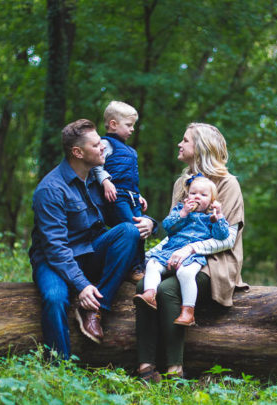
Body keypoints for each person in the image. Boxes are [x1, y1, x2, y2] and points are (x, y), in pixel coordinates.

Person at [29, 119, 155, 360]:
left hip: (90, 252)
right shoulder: (50, 189)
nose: (103, 148)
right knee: (55, 298)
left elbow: (121, 215)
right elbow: (55, 248)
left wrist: (150, 221)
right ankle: (59, 366)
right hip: (54, 261)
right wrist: (82, 284)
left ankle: (95, 310)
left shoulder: (99, 181)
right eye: (97, 145)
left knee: (128, 231)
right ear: (77, 152)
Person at [134, 123, 247, 382]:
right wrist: (154, 254)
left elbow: (228, 239)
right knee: (144, 285)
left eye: (185, 141)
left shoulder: (228, 185)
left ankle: (175, 370)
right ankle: (146, 368)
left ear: (201, 149)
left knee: (167, 290)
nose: (179, 144)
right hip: (179, 253)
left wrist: (191, 248)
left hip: (215, 260)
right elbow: (174, 229)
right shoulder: (181, 183)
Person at [134, 175, 229, 326]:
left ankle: (188, 311)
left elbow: (222, 236)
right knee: (152, 265)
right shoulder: (180, 210)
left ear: (212, 201)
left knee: (185, 273)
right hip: (170, 251)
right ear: (187, 195)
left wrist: (219, 217)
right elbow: (167, 227)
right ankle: (150, 294)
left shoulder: (210, 217)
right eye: (193, 193)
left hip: (193, 255)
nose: (197, 197)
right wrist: (183, 213)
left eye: (203, 195)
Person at [92, 101, 148, 280]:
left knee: (142, 227)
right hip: (117, 196)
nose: (132, 129)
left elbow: (130, 177)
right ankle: (133, 268)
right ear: (113, 124)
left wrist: (139, 195)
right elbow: (96, 165)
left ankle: (140, 265)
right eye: (129, 125)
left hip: (131, 195)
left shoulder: (130, 150)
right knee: (131, 228)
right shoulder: (105, 143)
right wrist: (106, 181)